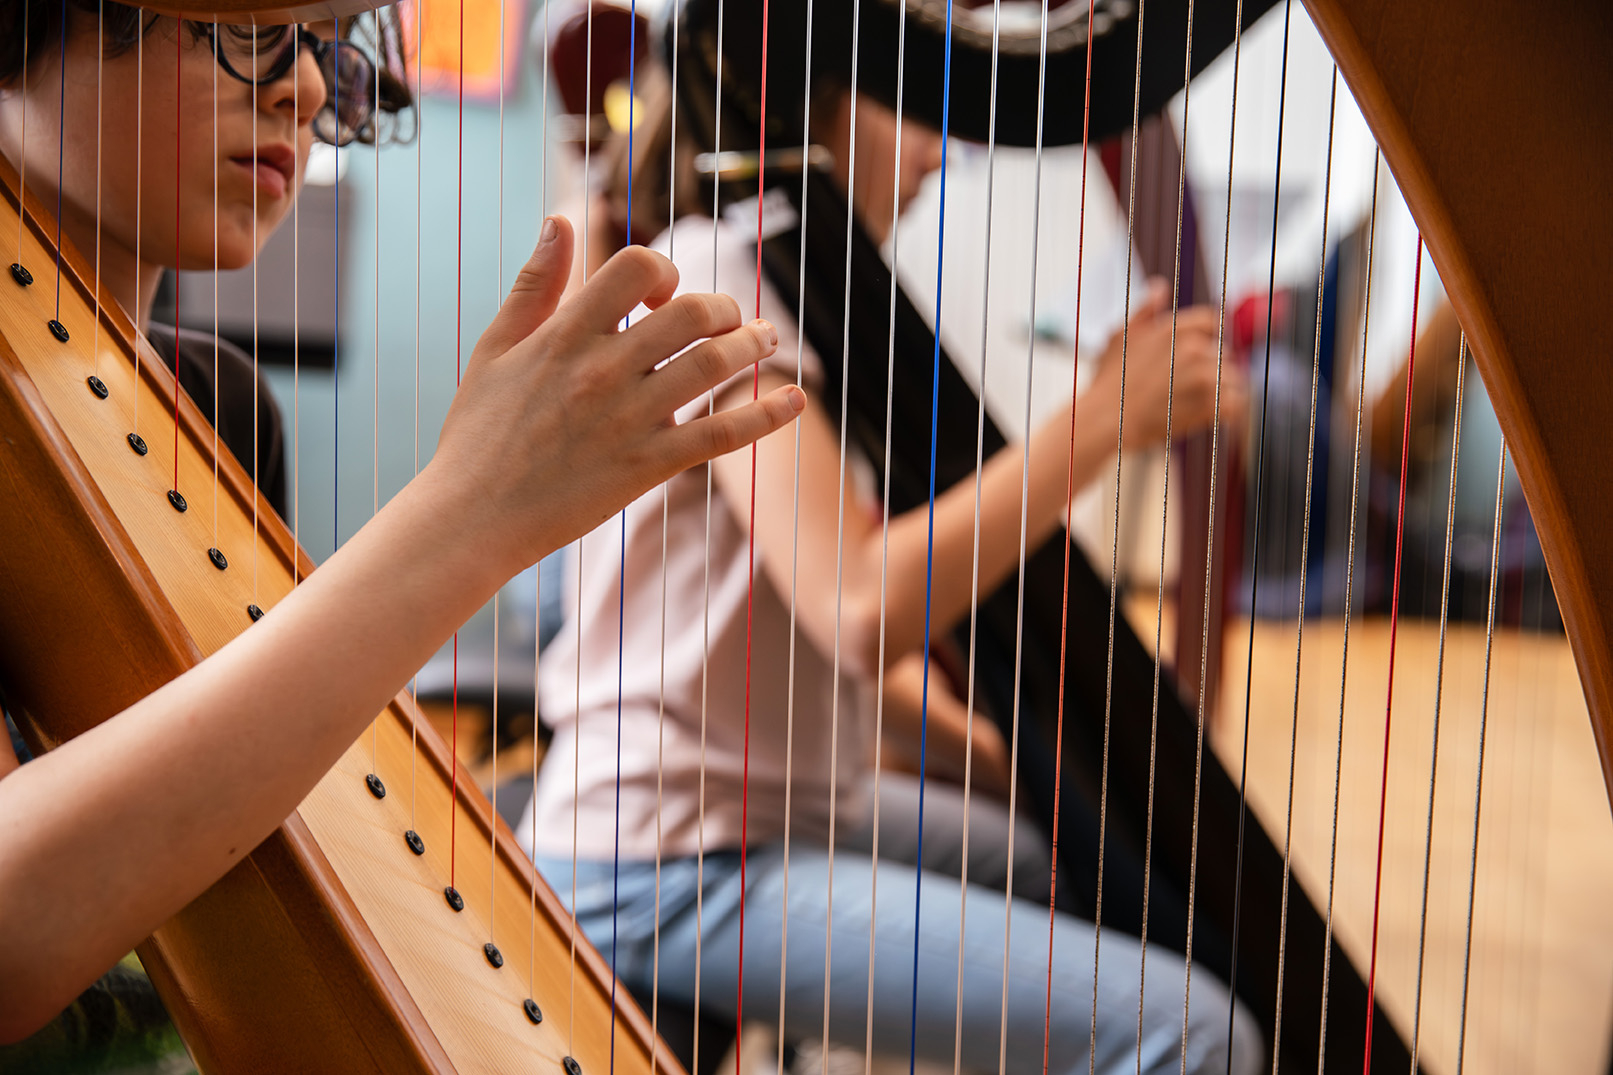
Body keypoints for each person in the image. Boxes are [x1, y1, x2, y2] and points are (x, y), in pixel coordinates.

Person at [0, 1, 806, 1047]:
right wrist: (467, 516)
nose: (304, 88)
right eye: (247, 28)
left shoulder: (223, 407)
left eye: (324, 41)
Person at [520, 70, 1261, 1075]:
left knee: (1060, 864)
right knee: (1194, 1030)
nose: (935, 151)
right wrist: (1098, 423)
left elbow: (801, 646)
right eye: (906, 109)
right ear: (815, 101)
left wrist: (1003, 763)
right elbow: (858, 607)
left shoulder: (790, 276)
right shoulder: (717, 279)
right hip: (657, 863)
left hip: (771, 809)